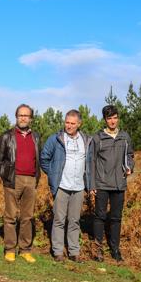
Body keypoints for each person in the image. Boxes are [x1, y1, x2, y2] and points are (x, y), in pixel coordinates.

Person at [40, 110, 93, 262]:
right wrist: (53, 174)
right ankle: (57, 252)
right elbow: (44, 158)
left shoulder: (86, 140)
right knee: (59, 220)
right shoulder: (56, 139)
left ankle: (74, 252)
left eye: (72, 123)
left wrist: (89, 183)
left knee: (75, 220)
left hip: (79, 187)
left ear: (79, 124)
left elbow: (89, 163)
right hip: (62, 186)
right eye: (67, 122)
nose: (69, 126)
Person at [0, 104, 41, 263]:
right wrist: (6, 177)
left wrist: (36, 178)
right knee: (10, 216)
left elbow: (38, 159)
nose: (23, 118)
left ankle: (25, 250)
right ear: (16, 117)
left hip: (31, 179)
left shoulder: (36, 137)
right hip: (13, 179)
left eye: (26, 115)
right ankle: (10, 249)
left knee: (27, 217)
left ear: (31, 118)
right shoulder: (7, 136)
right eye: (20, 115)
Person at [91, 105, 134, 262]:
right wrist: (92, 184)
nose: (112, 121)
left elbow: (130, 155)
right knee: (100, 217)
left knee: (116, 218)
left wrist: (130, 167)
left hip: (119, 184)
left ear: (118, 118)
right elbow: (92, 161)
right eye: (109, 118)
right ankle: (98, 250)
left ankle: (115, 250)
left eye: (115, 117)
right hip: (101, 184)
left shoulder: (125, 137)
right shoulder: (98, 138)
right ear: (105, 119)